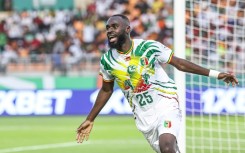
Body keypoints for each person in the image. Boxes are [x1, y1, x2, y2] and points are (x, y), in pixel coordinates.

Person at [76, 14, 238, 153]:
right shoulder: (107, 61)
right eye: (107, 27)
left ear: (127, 29)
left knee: (167, 147)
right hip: (143, 116)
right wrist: (90, 119)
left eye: (114, 26)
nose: (109, 30)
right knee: (168, 150)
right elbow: (106, 90)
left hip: (165, 103)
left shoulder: (148, 47)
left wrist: (216, 74)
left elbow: (179, 63)